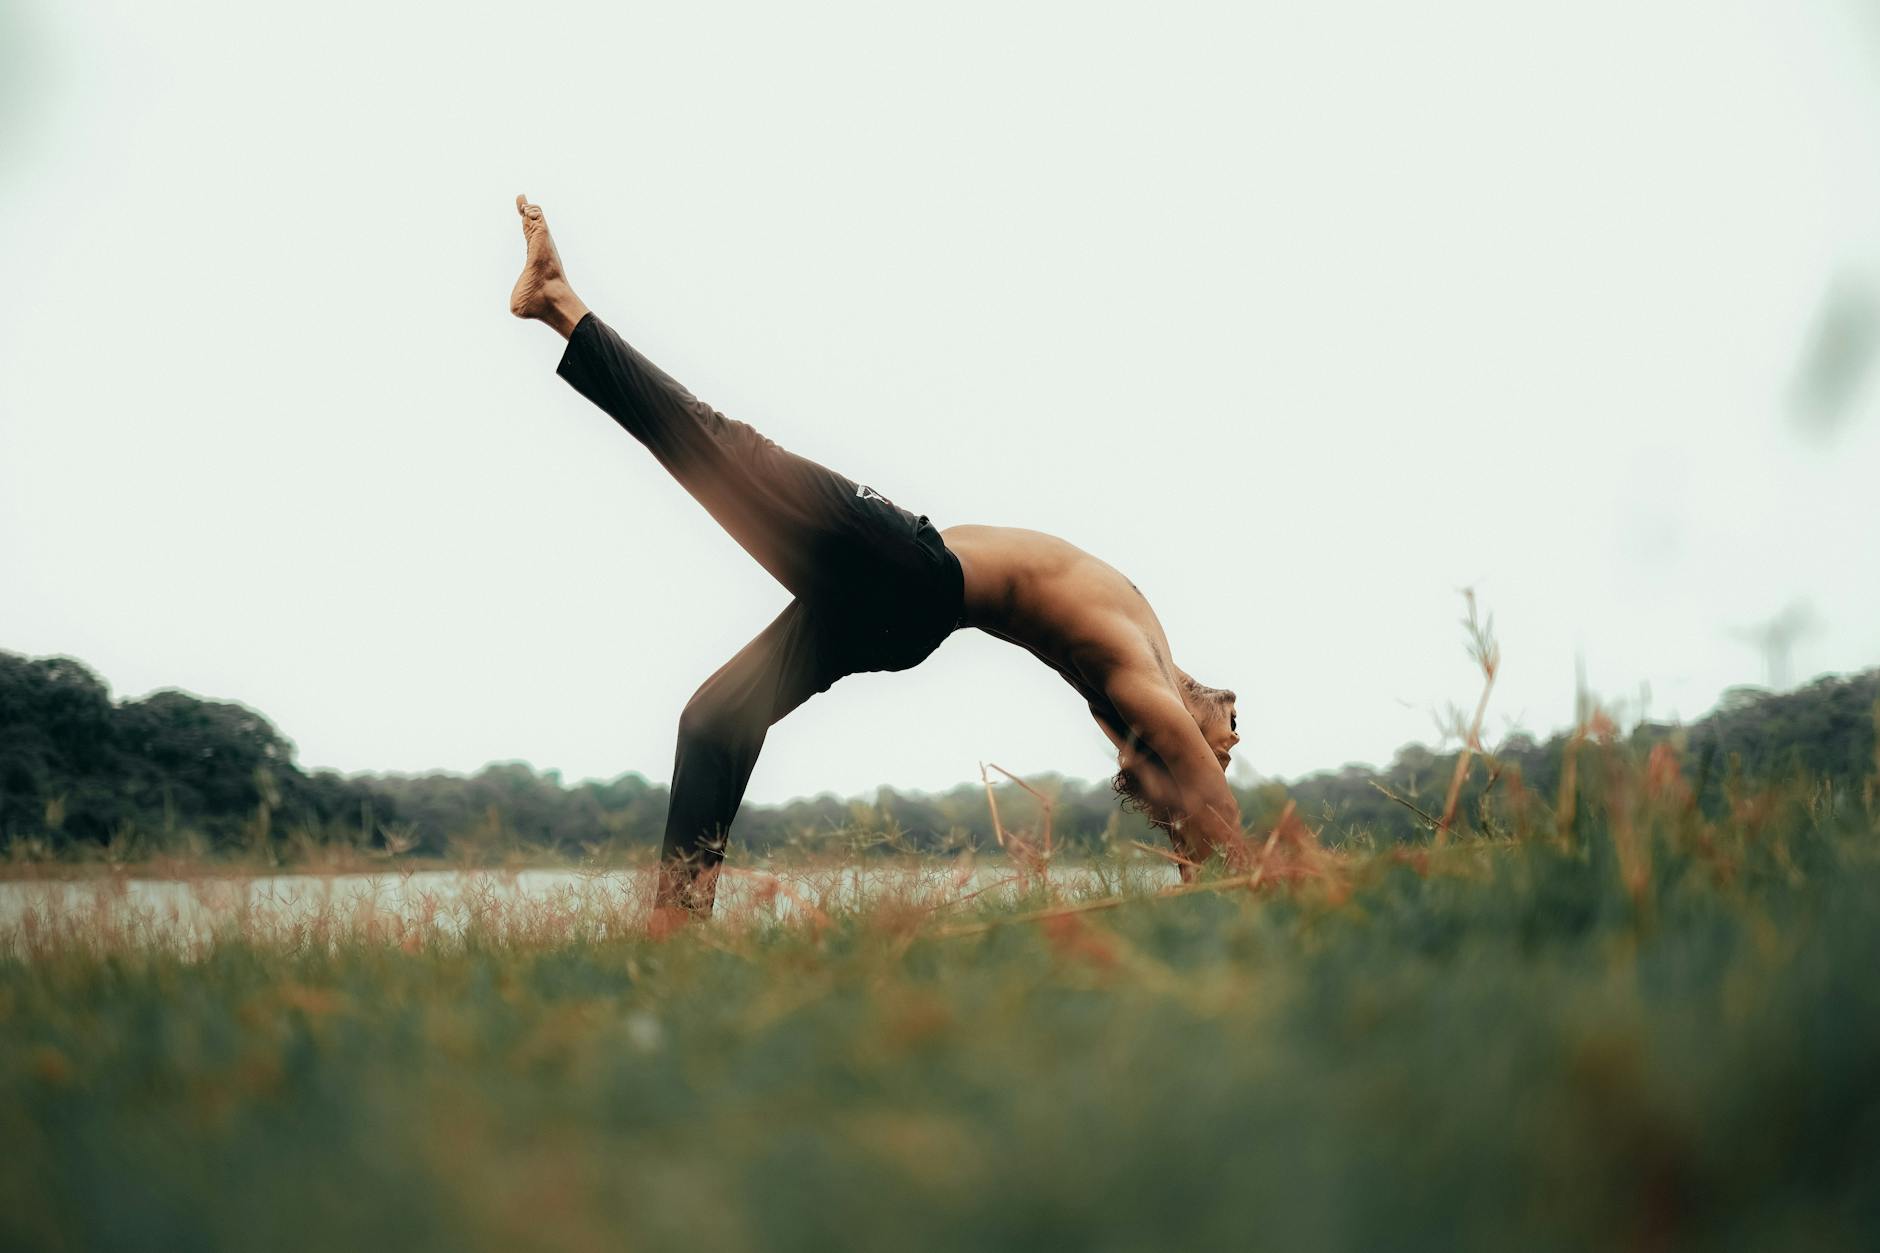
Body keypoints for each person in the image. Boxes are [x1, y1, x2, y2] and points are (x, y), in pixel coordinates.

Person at [509, 195, 1245, 919]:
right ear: (1220, 711)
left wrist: (1237, 861)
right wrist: (1205, 859)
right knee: (715, 717)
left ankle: (559, 303)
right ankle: (677, 923)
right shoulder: (1142, 658)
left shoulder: (1136, 675)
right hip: (898, 601)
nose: (1222, 753)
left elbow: (1202, 796)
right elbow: (1185, 777)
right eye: (1225, 746)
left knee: (727, 448)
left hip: (910, 577)